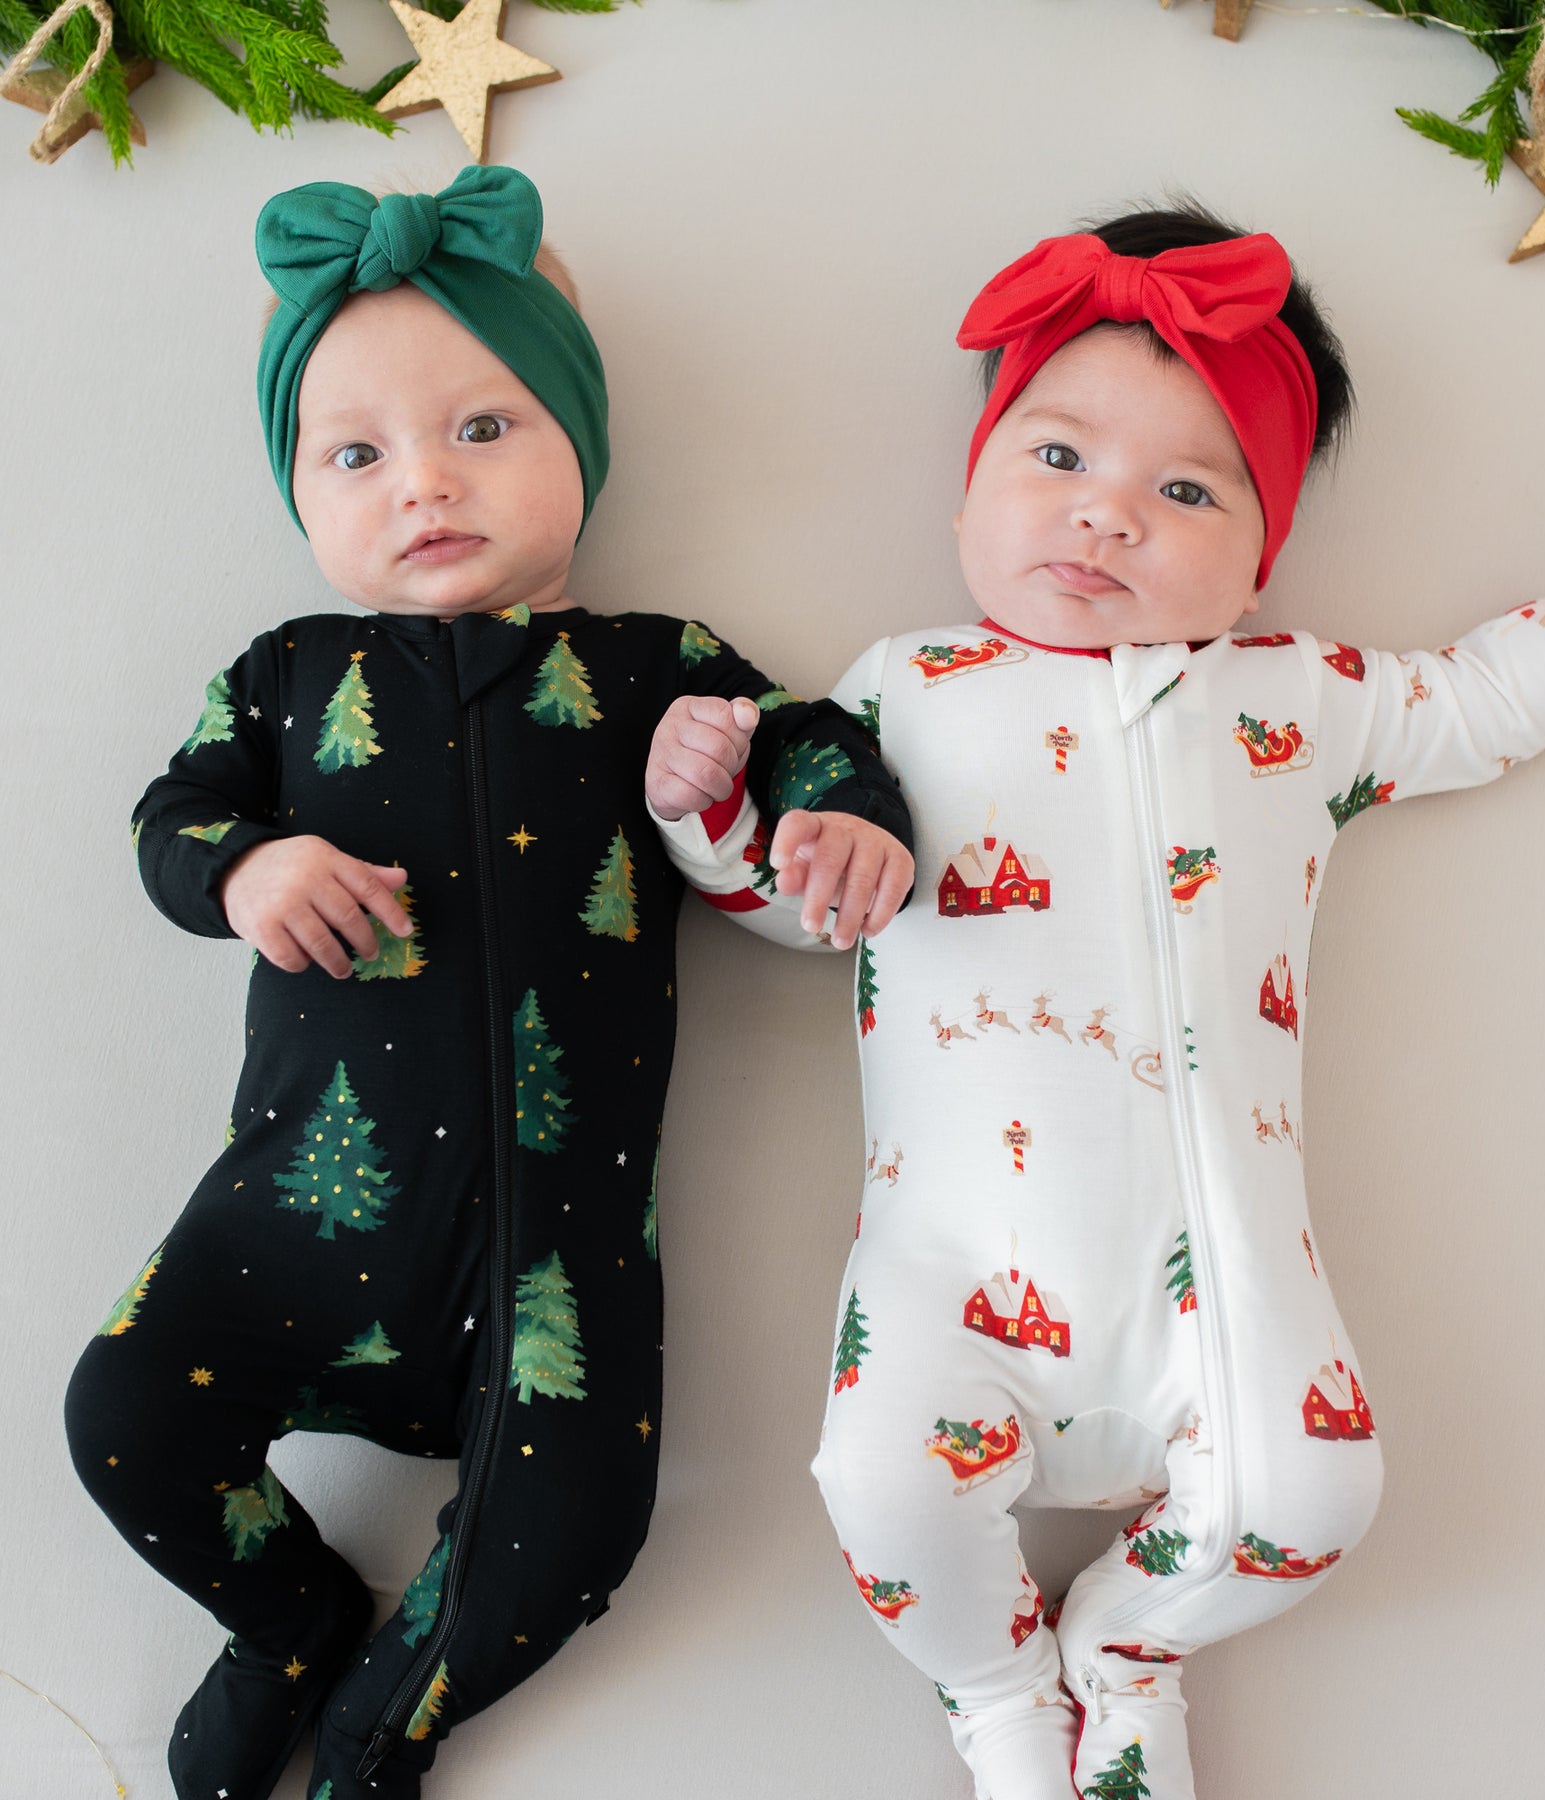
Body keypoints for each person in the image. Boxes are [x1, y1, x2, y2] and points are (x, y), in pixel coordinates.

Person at [661, 198, 1545, 1800]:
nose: (1107, 517)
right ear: (973, 480)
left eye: (1183, 489)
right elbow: (797, 902)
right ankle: (999, 1697)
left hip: (1228, 1292)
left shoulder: (1305, 700)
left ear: (1261, 558)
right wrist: (706, 811)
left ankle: (1127, 1650)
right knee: (875, 1481)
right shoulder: (898, 690)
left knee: (1318, 1495)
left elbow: (1488, 699)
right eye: (1057, 460)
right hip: (953, 1270)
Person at [62, 165, 913, 1800]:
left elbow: (815, 732)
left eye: (485, 429)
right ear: (302, 495)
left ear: (576, 443)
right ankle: (293, 1621)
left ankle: (386, 1723)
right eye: (358, 455)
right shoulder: (288, 677)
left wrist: (839, 807)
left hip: (555, 1239)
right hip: (291, 1215)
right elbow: (170, 822)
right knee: (120, 1412)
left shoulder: (660, 666)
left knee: (581, 1524)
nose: (424, 487)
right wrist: (246, 867)